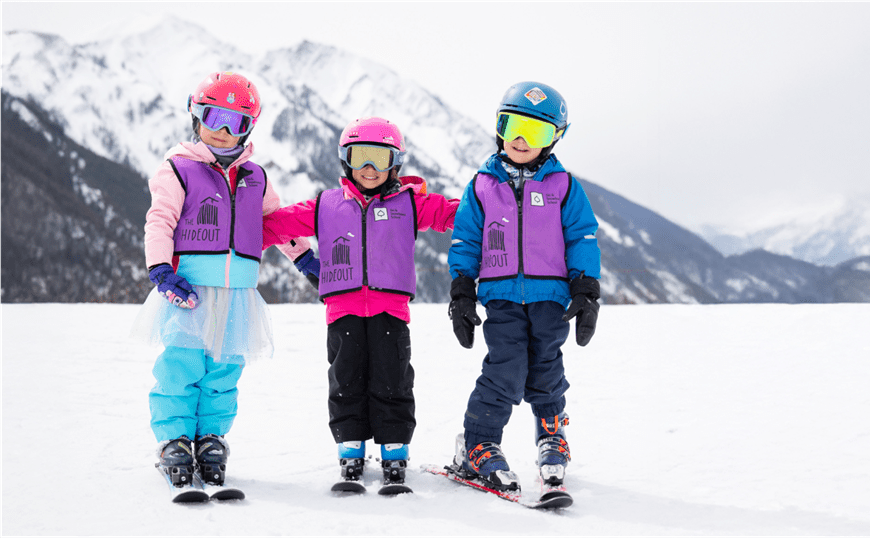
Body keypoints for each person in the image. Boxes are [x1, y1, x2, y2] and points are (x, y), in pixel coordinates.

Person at [132, 71, 312, 488]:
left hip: (238, 295)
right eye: (215, 118)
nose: (224, 132)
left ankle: (210, 436)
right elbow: (160, 219)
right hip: (189, 289)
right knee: (182, 365)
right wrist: (160, 268)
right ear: (196, 118)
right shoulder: (178, 169)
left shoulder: (256, 177)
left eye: (237, 123)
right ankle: (174, 439)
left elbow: (277, 222)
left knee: (225, 370)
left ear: (249, 129)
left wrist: (303, 258)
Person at [263, 117, 459, 489]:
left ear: (395, 162)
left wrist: (499, 212)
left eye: (380, 159)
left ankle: (394, 449)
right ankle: (350, 448)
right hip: (343, 311)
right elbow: (275, 226)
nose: (369, 168)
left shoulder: (411, 204)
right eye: (361, 157)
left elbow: (455, 215)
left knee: (393, 379)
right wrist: (226, 243)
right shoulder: (326, 205)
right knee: (345, 378)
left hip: (391, 311)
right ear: (345, 159)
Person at [447, 81, 602, 492]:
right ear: (499, 127)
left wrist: (586, 290)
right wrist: (462, 289)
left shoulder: (564, 186)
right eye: (513, 125)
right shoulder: (482, 185)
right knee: (506, 368)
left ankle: (552, 436)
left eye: (535, 132)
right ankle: (478, 443)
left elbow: (581, 237)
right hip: (500, 297)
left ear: (554, 139)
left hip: (550, 297)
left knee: (547, 368)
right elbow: (466, 238)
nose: (520, 139)